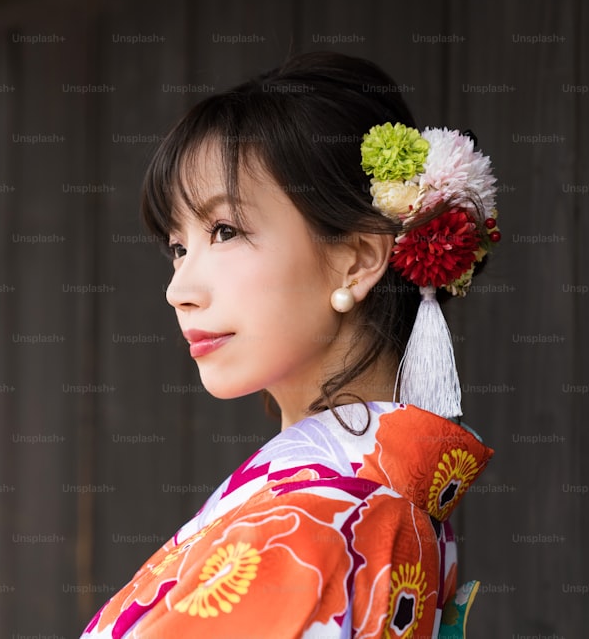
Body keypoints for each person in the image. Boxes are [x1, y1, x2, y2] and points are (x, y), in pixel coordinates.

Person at [80, 51, 497, 639]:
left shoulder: (312, 522)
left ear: (356, 260)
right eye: (178, 247)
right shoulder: (369, 504)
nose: (179, 290)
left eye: (224, 231)